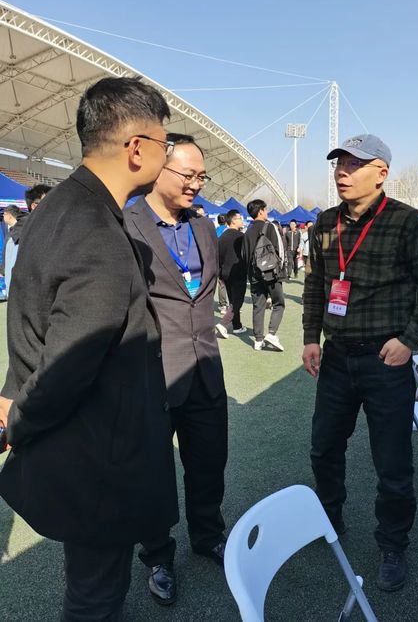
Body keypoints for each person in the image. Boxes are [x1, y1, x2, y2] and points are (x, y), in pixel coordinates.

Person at [0, 76, 179, 620]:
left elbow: (35, 317)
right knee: (96, 598)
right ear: (136, 148)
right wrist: (17, 422)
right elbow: (68, 363)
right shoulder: (97, 230)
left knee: (89, 581)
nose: (167, 155)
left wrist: (12, 396)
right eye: (165, 143)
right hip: (97, 456)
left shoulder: (58, 206)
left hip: (82, 450)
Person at [303, 134, 418, 593]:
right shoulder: (324, 223)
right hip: (336, 359)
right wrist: (310, 338)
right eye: (339, 164)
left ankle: (392, 543)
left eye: (354, 164)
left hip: (385, 361)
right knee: (324, 447)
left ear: (381, 173)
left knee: (392, 461)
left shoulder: (408, 223)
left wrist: (409, 341)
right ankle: (329, 518)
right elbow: (316, 285)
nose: (341, 172)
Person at [124, 133, 228, 606]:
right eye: (188, 174)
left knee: (209, 463)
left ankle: (208, 535)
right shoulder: (127, 225)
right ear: (159, 168)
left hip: (205, 368)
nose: (196, 184)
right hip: (152, 375)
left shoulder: (204, 227)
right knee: (152, 474)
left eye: (201, 176)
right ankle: (158, 556)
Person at [244, 199, 286, 351]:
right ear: (261, 211)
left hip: (254, 274)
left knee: (258, 306)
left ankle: (258, 339)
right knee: (278, 304)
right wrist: (281, 269)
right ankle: (272, 333)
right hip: (271, 272)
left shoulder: (247, 231)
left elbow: (244, 255)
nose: (266, 212)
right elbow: (280, 249)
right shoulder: (270, 226)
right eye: (265, 209)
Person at [215, 209, 247, 338]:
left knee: (233, 300)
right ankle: (223, 324)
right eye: (240, 218)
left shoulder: (222, 237)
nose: (242, 221)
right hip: (238, 272)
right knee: (237, 301)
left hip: (225, 273)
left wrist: (220, 273)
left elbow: (218, 257)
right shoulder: (241, 237)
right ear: (233, 221)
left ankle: (237, 326)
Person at [1, 205, 26, 296]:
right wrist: (3, 270)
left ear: (9, 215)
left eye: (4, 214)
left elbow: (13, 258)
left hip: (15, 277)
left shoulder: (17, 233)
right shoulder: (14, 231)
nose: (3, 217)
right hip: (11, 275)